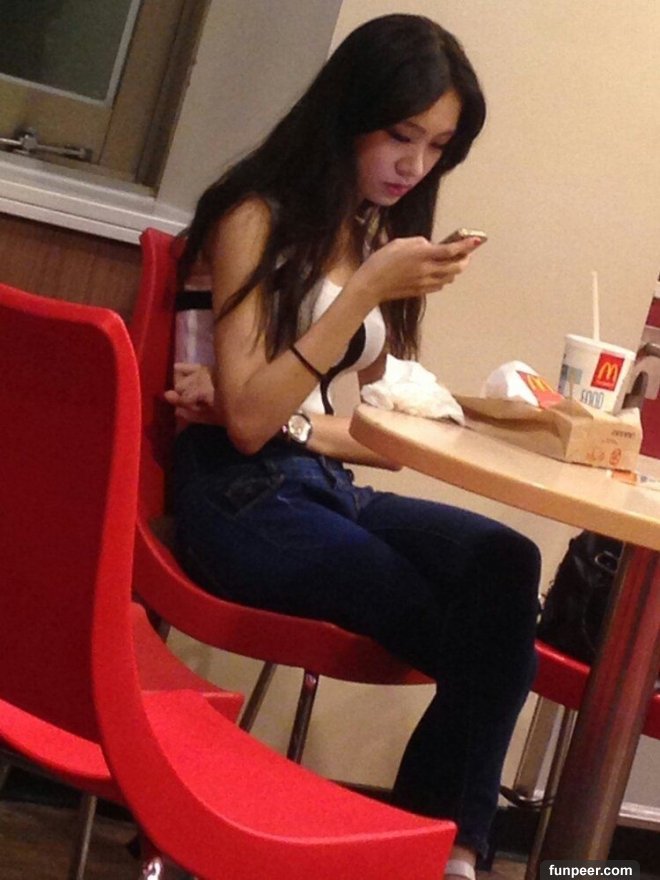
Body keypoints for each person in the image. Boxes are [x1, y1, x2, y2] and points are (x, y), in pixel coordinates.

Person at [167, 14, 541, 880]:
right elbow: (248, 425)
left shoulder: (367, 234)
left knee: (506, 562)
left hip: (318, 482)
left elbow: (362, 430)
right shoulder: (254, 216)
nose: (415, 166)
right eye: (401, 135)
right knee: (487, 643)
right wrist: (363, 291)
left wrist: (449, 415)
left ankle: (441, 849)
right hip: (237, 496)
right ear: (351, 112)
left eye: (437, 147)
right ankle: (443, 853)